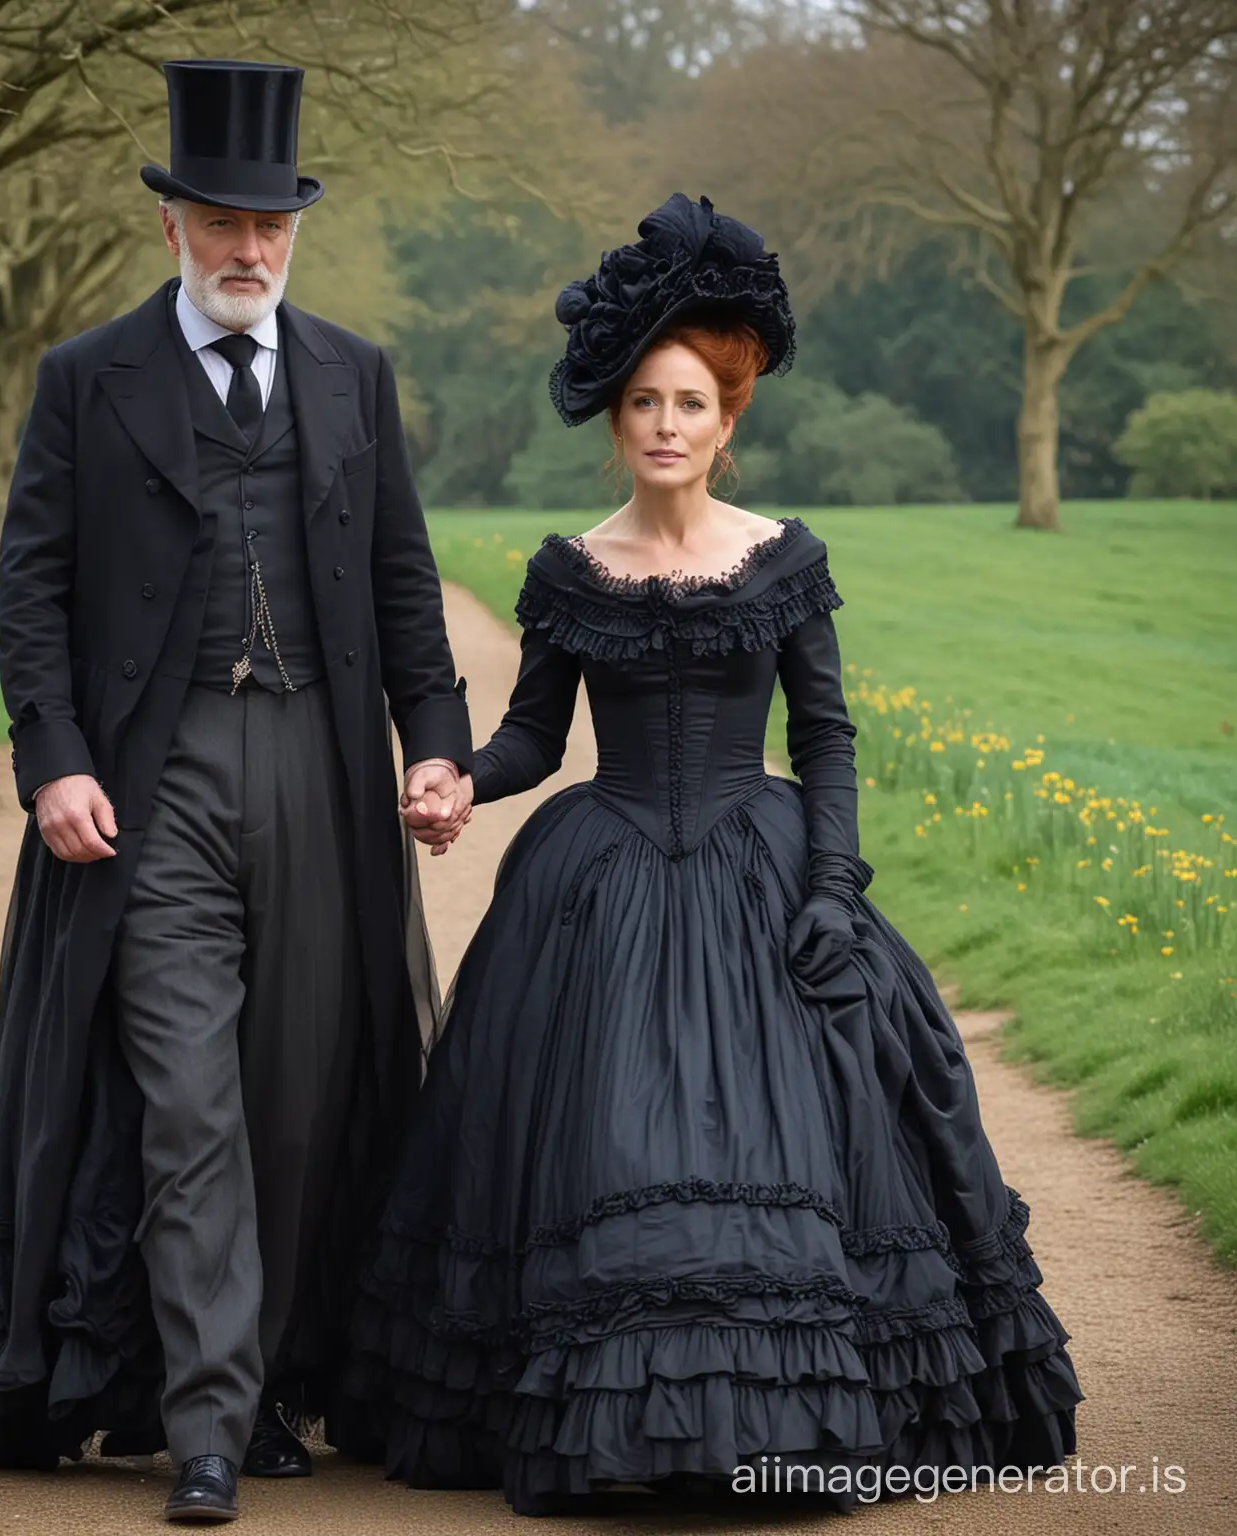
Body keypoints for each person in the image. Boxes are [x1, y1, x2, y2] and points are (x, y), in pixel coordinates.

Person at [353, 194, 1082, 1516]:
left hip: (764, 865)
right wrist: (459, 773)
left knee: (800, 1148)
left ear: (728, 422)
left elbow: (831, 739)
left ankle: (786, 1420)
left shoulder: (785, 561)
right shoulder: (571, 568)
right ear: (617, 421)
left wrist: (831, 887)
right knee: (610, 1138)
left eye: (690, 403)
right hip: (605, 876)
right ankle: (627, 1429)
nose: (666, 425)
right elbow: (533, 734)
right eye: (643, 403)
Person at [0, 59, 473, 1525]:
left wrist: (435, 737)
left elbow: (406, 582)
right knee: (188, 1101)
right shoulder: (83, 380)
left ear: (294, 234)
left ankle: (270, 1373)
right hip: (151, 784)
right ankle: (208, 1418)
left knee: (294, 1101)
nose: (247, 250)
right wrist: (54, 760)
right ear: (172, 224)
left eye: (270, 228)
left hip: (317, 769)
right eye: (221, 221)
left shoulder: (357, 376)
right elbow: (29, 593)